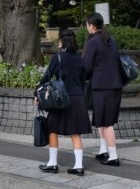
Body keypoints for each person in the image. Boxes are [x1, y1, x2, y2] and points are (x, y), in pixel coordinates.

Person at [35, 28, 90, 175]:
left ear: (61, 41)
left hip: (60, 100)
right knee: (75, 133)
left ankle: (52, 164)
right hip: (77, 99)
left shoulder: (58, 57)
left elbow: (47, 77)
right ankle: (78, 166)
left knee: (52, 129)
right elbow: (83, 80)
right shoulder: (80, 58)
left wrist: (37, 92)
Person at [83, 12, 124, 167]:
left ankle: (113, 156)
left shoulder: (93, 41)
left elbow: (86, 67)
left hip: (102, 87)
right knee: (101, 120)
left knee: (106, 123)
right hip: (114, 86)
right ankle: (103, 150)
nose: (87, 27)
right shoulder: (111, 40)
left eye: (87, 24)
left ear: (92, 26)